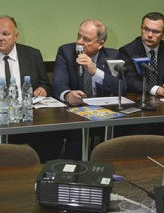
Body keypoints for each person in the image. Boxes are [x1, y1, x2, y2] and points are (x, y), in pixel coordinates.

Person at [0, 15, 62, 162]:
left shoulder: (32, 55)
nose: (0, 38)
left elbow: (45, 84)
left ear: (16, 36)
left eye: (6, 34)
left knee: (53, 138)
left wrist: (43, 90)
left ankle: (35, 173)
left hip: (28, 117)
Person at [51, 19, 126, 159]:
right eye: (79, 36)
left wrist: (95, 71)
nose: (79, 42)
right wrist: (68, 95)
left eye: (86, 39)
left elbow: (121, 87)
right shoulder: (66, 52)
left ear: (100, 44)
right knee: (76, 136)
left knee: (122, 134)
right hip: (76, 115)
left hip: (105, 115)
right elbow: (58, 83)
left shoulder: (113, 56)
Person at [120, 12, 164, 98]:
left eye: (155, 31)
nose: (149, 35)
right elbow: (131, 82)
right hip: (139, 99)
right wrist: (158, 90)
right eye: (146, 29)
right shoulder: (127, 51)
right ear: (141, 29)